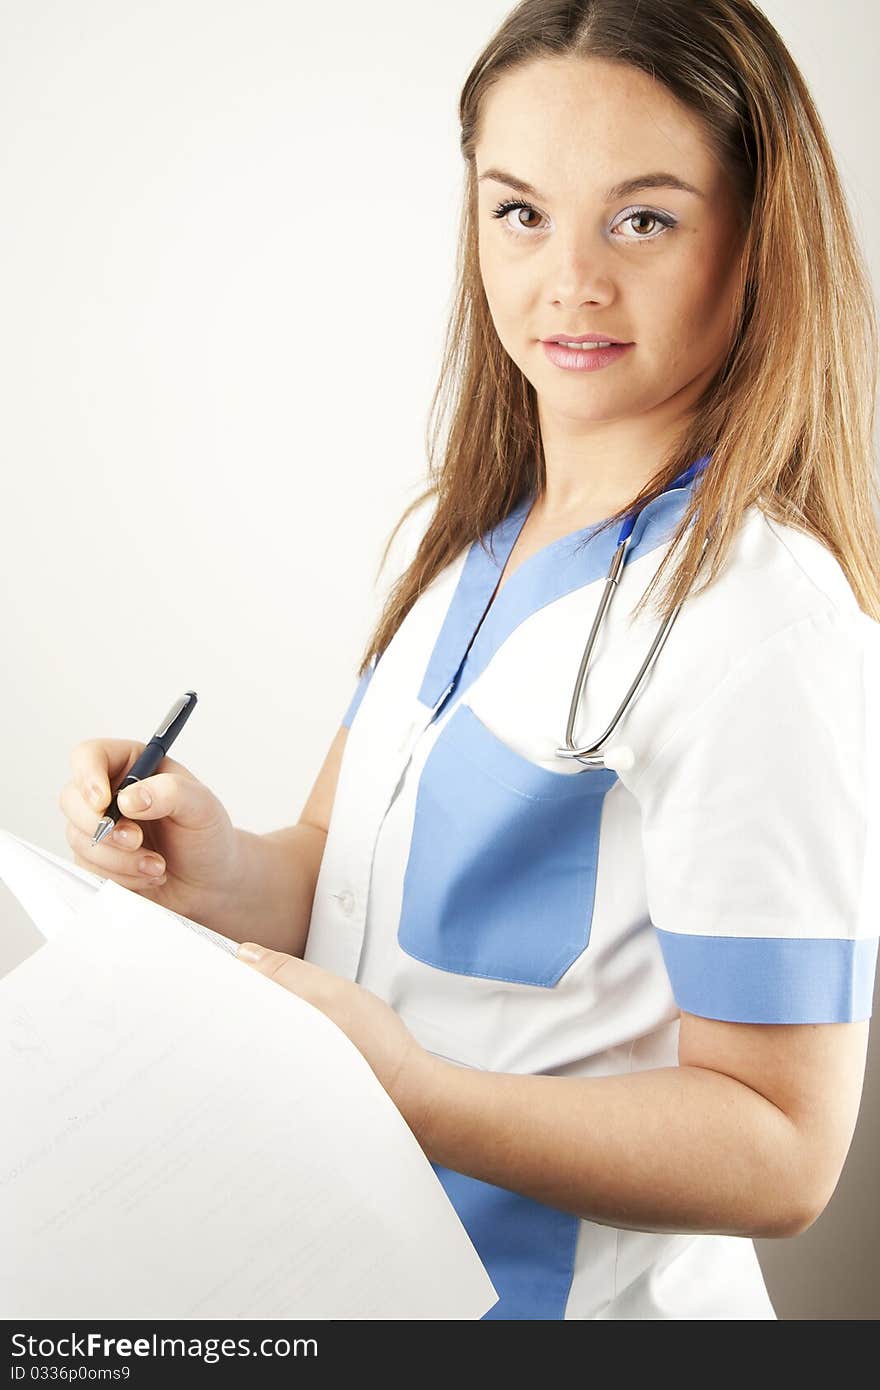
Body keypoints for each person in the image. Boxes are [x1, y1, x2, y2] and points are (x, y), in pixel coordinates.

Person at [59, 0, 880, 1319]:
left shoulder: (761, 616)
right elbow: (335, 878)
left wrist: (412, 1091)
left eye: (644, 217)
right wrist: (214, 865)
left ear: (753, 236)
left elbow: (784, 1147)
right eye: (521, 212)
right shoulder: (459, 553)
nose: (571, 279)